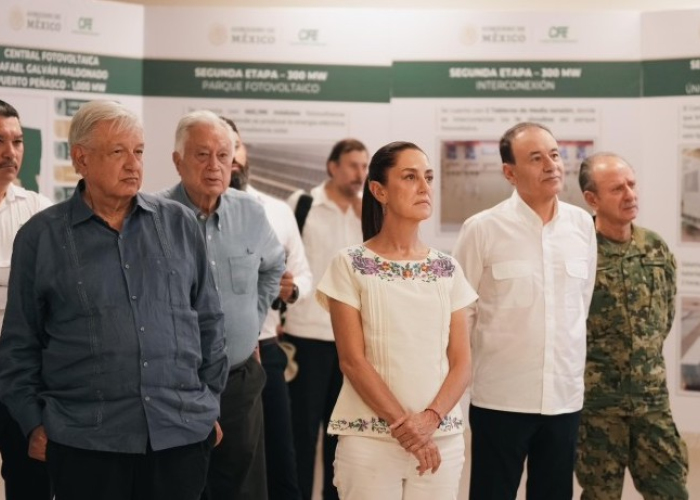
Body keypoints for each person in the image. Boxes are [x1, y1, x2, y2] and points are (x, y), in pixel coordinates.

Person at [0, 100, 229, 500]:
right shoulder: (42, 238)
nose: (133, 164)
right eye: (118, 152)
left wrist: (207, 402)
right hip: (86, 442)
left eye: (138, 151)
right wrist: (33, 422)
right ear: (80, 159)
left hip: (178, 437)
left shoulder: (178, 224)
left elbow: (208, 321)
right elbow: (20, 344)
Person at [316, 141, 475, 499]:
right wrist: (407, 428)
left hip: (441, 439)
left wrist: (429, 420)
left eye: (428, 177)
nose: (424, 187)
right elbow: (352, 361)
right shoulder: (350, 263)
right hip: (369, 440)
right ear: (379, 190)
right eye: (410, 177)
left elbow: (462, 362)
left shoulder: (447, 267)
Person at [452, 122, 597, 500]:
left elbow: (581, 303)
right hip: (501, 398)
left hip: (563, 397)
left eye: (554, 154)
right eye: (536, 158)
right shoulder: (482, 229)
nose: (551, 165)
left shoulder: (582, 226)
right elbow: (459, 315)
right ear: (509, 173)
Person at [160, 110, 285, 500]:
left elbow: (274, 268)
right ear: (178, 160)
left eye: (223, 156)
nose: (214, 166)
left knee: (243, 488)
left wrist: (253, 319)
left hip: (239, 380)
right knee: (183, 486)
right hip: (177, 385)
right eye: (201, 155)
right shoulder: (153, 217)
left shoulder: (249, 211)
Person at [575, 153, 689, 499]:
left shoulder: (654, 248)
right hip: (599, 406)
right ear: (592, 199)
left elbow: (664, 319)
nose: (629, 194)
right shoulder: (581, 254)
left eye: (632, 184)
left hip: (651, 401)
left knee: (671, 490)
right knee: (600, 495)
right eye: (616, 189)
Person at [224, 116, 312, 500]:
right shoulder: (173, 212)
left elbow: (305, 276)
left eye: (235, 146)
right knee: (222, 464)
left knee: (280, 463)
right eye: (216, 149)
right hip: (202, 359)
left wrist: (292, 290)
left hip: (266, 351)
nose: (230, 157)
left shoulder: (276, 211)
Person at [285, 138, 369, 500]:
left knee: (342, 439)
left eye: (365, 167)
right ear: (332, 167)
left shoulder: (370, 213)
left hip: (352, 344)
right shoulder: (302, 206)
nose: (360, 174)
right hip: (306, 336)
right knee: (302, 435)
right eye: (353, 165)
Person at [0, 99, 52, 500]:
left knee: (28, 481)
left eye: (17, 141)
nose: (10, 153)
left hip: (19, 377)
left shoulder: (38, 212)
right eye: (0, 142)